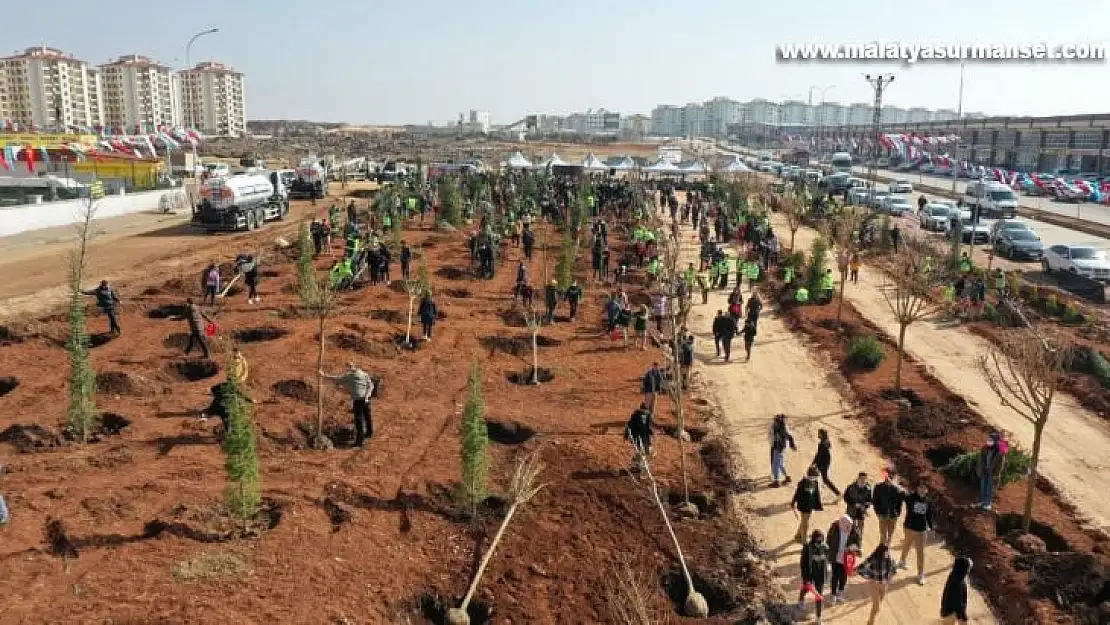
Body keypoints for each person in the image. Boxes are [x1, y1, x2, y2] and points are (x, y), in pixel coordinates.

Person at [319, 363, 376, 447]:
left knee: (359, 420)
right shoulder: (364, 374)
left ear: (349, 368)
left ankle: (359, 441)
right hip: (366, 400)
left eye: (347, 368)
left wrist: (323, 375)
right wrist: (367, 396)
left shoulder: (350, 376)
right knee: (367, 416)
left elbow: (336, 379)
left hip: (358, 400)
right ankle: (369, 433)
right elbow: (371, 385)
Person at [899, 480, 935, 585]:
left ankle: (920, 574)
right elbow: (901, 494)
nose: (922, 490)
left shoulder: (928, 502)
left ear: (927, 490)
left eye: (924, 488)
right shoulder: (910, 498)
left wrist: (931, 528)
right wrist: (894, 484)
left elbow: (929, 516)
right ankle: (902, 561)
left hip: (921, 531)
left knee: (920, 553)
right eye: (920, 487)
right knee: (906, 545)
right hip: (909, 528)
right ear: (917, 488)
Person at [857, 543, 897, 625]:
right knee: (877, 607)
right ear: (882, 552)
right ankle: (870, 623)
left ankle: (870, 621)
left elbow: (893, 570)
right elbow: (861, 567)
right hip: (874, 585)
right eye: (886, 551)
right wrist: (855, 571)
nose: (888, 553)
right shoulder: (873, 559)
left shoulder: (889, 559)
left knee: (876, 607)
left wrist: (889, 580)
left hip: (884, 585)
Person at [827, 514, 862, 604]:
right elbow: (829, 540)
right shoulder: (835, 528)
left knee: (843, 576)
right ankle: (833, 595)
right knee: (835, 576)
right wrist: (829, 552)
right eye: (846, 526)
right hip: (835, 557)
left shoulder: (854, 530)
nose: (848, 528)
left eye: (849, 526)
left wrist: (851, 548)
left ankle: (841, 594)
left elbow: (857, 544)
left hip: (847, 558)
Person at [798, 529, 829, 624]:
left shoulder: (825, 548)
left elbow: (828, 558)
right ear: (813, 539)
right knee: (806, 588)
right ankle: (801, 600)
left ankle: (818, 618)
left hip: (820, 574)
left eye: (821, 540)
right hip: (809, 573)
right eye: (817, 540)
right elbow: (803, 564)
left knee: (819, 595)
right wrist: (806, 578)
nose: (819, 542)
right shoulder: (807, 547)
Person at [873, 468, 905, 547]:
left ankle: (886, 551)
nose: (889, 478)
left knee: (890, 535)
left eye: (891, 476)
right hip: (882, 514)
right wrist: (877, 512)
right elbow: (875, 501)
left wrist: (897, 513)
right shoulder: (878, 487)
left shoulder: (897, 489)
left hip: (893, 515)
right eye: (888, 475)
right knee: (883, 535)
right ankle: (881, 551)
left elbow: (902, 499)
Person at [791, 466, 824, 542]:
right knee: (806, 524)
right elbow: (797, 493)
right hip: (804, 506)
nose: (816, 477)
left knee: (804, 521)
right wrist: (793, 502)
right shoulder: (802, 483)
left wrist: (818, 505)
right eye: (815, 476)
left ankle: (798, 535)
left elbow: (816, 494)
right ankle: (804, 541)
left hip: (810, 506)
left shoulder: (815, 482)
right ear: (811, 475)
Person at [976, 431, 1007, 510]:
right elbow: (980, 460)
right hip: (984, 471)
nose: (989, 441)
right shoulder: (984, 448)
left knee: (990, 488)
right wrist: (980, 469)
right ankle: (983, 502)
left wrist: (996, 474)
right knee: (983, 487)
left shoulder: (1000, 453)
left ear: (996, 441)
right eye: (989, 439)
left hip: (992, 473)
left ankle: (988, 503)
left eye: (991, 440)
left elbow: (1000, 465)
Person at [940, 556, 973, 624]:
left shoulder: (954, 575)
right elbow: (957, 601)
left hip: (946, 610)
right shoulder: (959, 583)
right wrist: (962, 615)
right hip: (951, 613)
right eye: (968, 568)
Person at [770, 414, 797, 487]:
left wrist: (792, 445)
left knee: (776, 464)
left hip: (779, 448)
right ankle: (787, 477)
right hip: (778, 447)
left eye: (775, 420)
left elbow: (789, 437)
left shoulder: (782, 428)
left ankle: (776, 481)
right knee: (780, 464)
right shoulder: (776, 427)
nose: (774, 421)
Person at [811, 429, 841, 496]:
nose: (818, 434)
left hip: (823, 463)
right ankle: (838, 493)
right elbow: (820, 454)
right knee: (822, 478)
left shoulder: (822, 444)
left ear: (822, 435)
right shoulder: (826, 442)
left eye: (819, 433)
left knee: (821, 478)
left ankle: (838, 493)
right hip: (825, 462)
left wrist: (814, 464)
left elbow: (819, 455)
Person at [843, 472, 874, 536]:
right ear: (858, 478)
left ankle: (858, 543)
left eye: (864, 479)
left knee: (860, 530)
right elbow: (846, 498)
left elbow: (869, 500)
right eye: (862, 478)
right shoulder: (851, 487)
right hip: (851, 510)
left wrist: (865, 506)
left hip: (861, 511)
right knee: (851, 528)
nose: (863, 480)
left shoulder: (868, 489)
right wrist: (854, 504)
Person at [625, 402, 653, 471]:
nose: (644, 411)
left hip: (645, 437)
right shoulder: (635, 415)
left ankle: (640, 465)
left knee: (646, 451)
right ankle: (636, 465)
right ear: (641, 409)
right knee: (639, 451)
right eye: (643, 410)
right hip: (637, 436)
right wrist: (626, 435)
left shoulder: (647, 415)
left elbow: (648, 426)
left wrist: (651, 432)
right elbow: (629, 425)